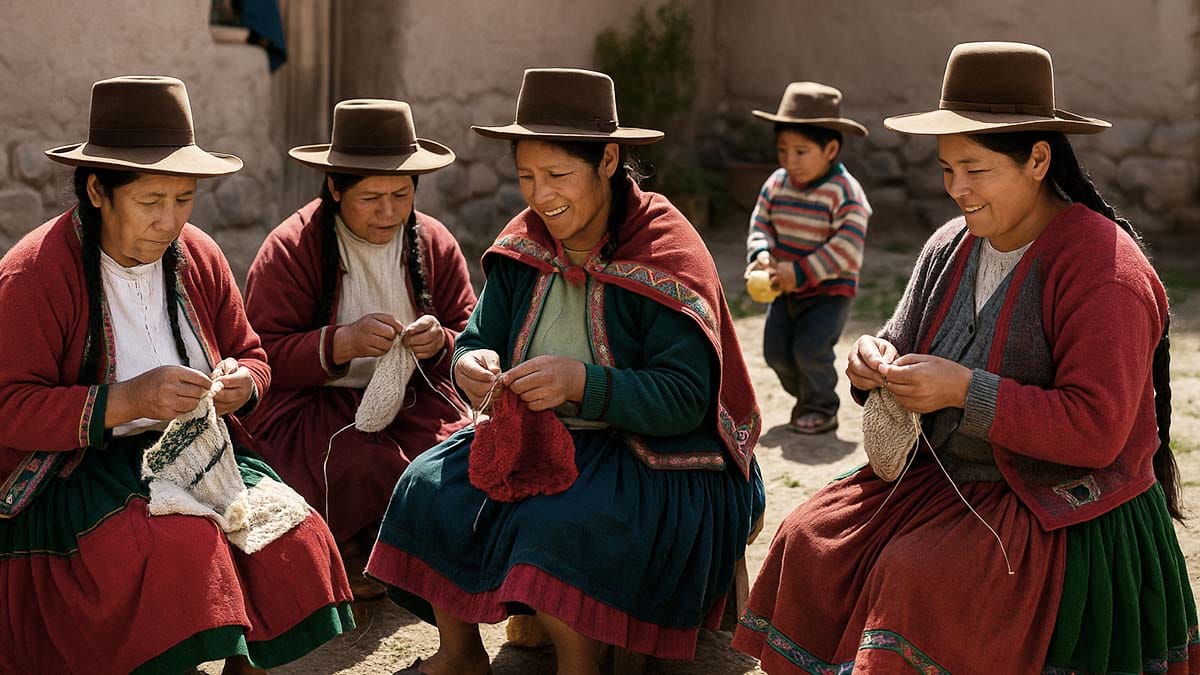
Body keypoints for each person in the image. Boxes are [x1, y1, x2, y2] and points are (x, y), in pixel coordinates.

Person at [732, 42, 1197, 674]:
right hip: (944, 480)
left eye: (975, 169)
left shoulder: (1103, 270)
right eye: (948, 169)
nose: (957, 190)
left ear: (1038, 159)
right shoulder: (951, 245)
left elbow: (1097, 430)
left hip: (1054, 503)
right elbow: (900, 338)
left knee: (917, 578)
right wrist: (874, 363)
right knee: (809, 537)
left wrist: (963, 391)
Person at [366, 68, 766, 675]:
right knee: (427, 486)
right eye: (526, 176)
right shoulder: (523, 244)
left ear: (608, 160)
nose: (539, 195)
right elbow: (478, 337)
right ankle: (459, 655)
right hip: (535, 434)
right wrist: (472, 364)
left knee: (558, 521)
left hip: (647, 451)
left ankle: (580, 668)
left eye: (557, 175)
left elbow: (686, 399)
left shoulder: (664, 248)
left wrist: (582, 384)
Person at [0, 76, 352, 675]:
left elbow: (252, 353)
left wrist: (243, 383)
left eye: (183, 199)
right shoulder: (35, 273)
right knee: (185, 549)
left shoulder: (199, 256)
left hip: (198, 454)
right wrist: (128, 399)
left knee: (291, 533)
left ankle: (246, 667)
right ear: (97, 189)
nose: (170, 221)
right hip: (80, 472)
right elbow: (8, 404)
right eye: (150, 201)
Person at [243, 99, 475, 599]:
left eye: (401, 193)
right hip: (315, 405)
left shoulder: (433, 241)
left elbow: (468, 333)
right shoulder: (292, 247)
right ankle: (348, 550)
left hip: (415, 398)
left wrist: (439, 343)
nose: (388, 211)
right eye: (370, 197)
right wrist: (340, 343)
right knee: (356, 461)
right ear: (334, 188)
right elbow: (261, 354)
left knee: (448, 459)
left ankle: (407, 555)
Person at [744, 82, 872, 434]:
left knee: (811, 349)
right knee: (775, 352)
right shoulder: (776, 184)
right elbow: (761, 223)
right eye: (783, 150)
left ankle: (822, 407)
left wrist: (798, 273)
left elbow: (845, 247)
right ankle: (807, 399)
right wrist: (762, 255)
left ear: (830, 148)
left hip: (829, 292)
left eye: (801, 151)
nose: (789, 160)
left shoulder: (846, 193)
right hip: (783, 289)